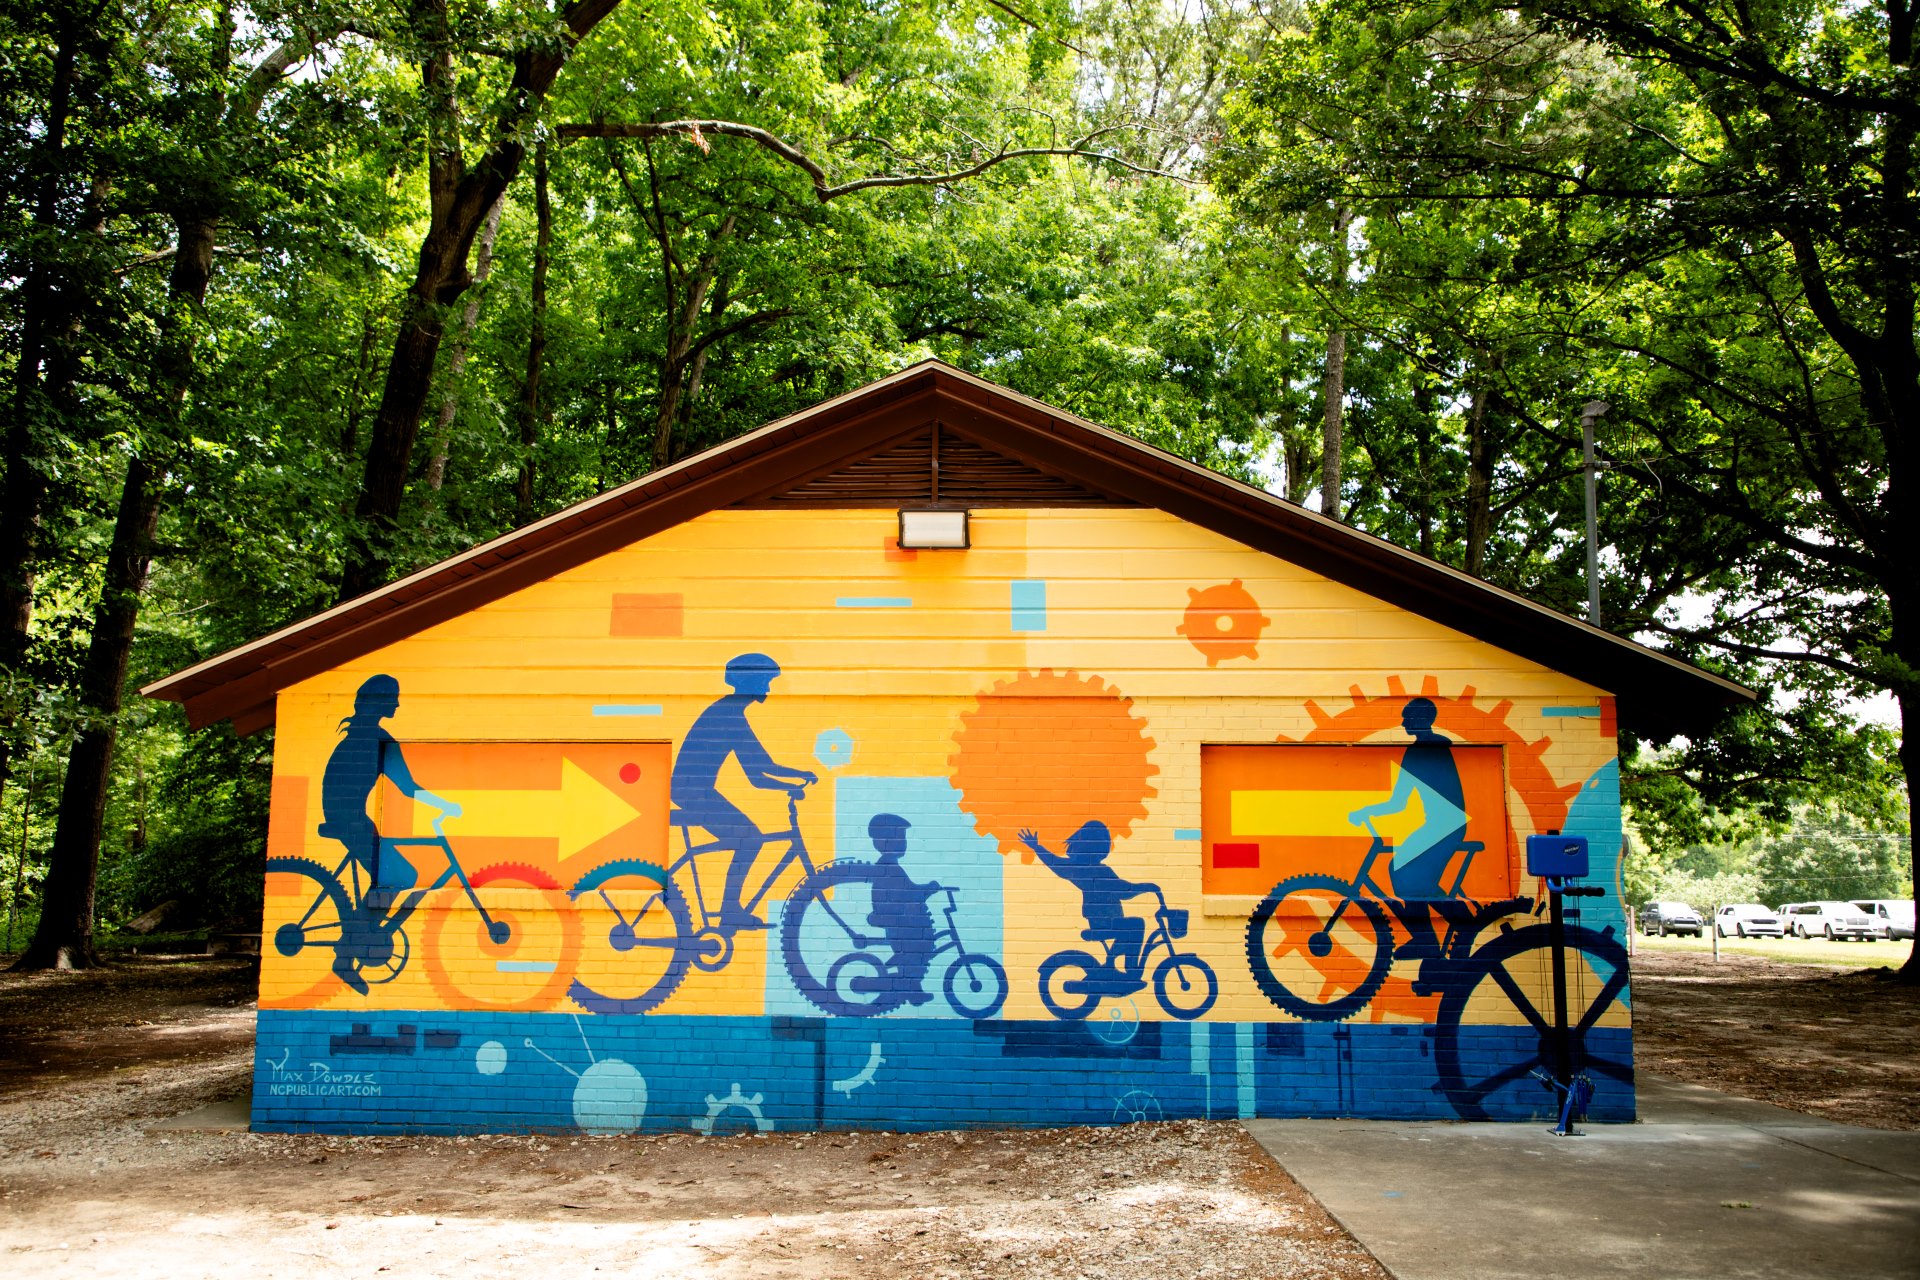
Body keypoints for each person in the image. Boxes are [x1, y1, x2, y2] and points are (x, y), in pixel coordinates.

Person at [318, 674, 462, 993]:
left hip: (347, 815)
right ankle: (345, 956)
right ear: (380, 702)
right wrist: (447, 806)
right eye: (393, 697)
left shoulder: (360, 735)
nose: (397, 703)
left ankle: (361, 937)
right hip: (349, 818)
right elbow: (408, 787)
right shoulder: (377, 739)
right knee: (402, 876)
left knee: (390, 876)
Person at [670, 653, 818, 930]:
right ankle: (729, 912)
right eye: (764, 681)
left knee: (747, 837)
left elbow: (759, 770)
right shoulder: (728, 715)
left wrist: (797, 778)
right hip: (692, 791)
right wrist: (795, 783)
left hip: (693, 789)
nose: (768, 688)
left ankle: (729, 911)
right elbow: (759, 773)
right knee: (750, 839)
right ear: (750, 681)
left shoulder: (729, 712)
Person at [1347, 696, 1470, 960]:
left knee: (1403, 873)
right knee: (1414, 879)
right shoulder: (1435, 748)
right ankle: (1457, 923)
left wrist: (1363, 812)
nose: (1402, 722)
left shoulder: (1419, 751)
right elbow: (1401, 803)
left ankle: (1433, 937)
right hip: (1445, 823)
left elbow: (1397, 803)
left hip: (1444, 825)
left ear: (1420, 719)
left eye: (1407, 717)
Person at [1018, 821, 1158, 978]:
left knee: (1129, 929)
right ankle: (1128, 970)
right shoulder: (1097, 870)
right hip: (1103, 921)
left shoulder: (1079, 869)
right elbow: (1123, 890)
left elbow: (1055, 863)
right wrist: (1147, 887)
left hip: (1102, 919)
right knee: (1136, 925)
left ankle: (1115, 966)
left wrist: (1036, 847)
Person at [854, 813, 940, 1004]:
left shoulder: (891, 866)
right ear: (882, 841)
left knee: (918, 950)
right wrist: (928, 889)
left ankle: (912, 987)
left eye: (903, 837)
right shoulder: (888, 868)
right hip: (896, 920)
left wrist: (925, 890)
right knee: (916, 950)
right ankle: (906, 986)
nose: (903, 842)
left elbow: (908, 891)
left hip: (898, 918)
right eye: (898, 837)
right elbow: (908, 893)